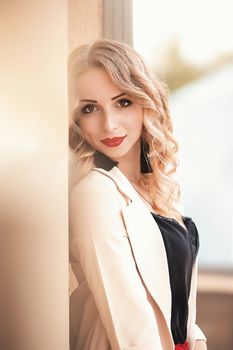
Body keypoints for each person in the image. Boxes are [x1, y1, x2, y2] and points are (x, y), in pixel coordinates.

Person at [68, 39, 207, 350]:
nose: (109, 124)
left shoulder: (160, 188)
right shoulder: (95, 194)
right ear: (76, 119)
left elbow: (178, 303)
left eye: (123, 102)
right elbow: (131, 331)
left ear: (147, 101)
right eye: (90, 108)